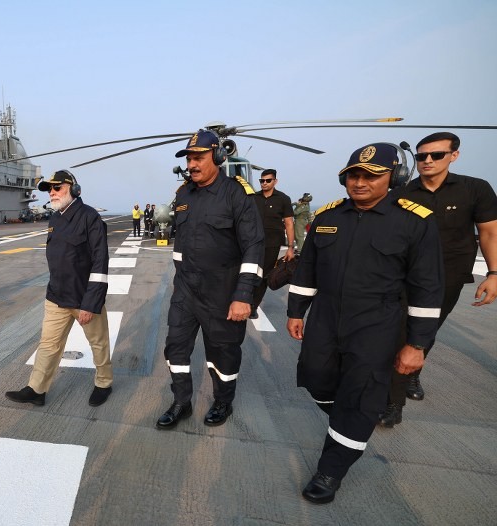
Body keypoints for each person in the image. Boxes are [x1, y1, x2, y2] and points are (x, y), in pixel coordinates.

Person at [286, 143, 444, 504]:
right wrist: (296, 310)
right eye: (353, 175)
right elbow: (307, 267)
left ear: (394, 177)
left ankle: (330, 471)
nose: (360, 183)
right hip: (325, 317)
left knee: (359, 397)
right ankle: (353, 415)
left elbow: (427, 287)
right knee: (315, 376)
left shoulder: (413, 220)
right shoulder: (328, 217)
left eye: (371, 176)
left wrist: (417, 344)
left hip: (376, 322)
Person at [379, 132, 497, 427]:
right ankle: (393, 402)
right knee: (401, 332)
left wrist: (494, 274)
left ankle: (412, 372)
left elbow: (489, 233)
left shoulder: (475, 189)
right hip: (407, 275)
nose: (427, 161)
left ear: (453, 155)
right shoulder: (403, 194)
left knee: (426, 330)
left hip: (450, 275)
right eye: (421, 156)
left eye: (436, 155)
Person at [154, 129, 264, 430]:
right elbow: (181, 244)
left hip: (223, 291)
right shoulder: (184, 194)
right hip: (186, 291)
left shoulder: (237, 194)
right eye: (189, 158)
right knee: (175, 348)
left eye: (198, 157)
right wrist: (180, 282)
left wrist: (243, 295)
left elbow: (254, 245)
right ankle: (181, 402)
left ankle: (223, 401)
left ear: (217, 156)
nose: (191, 164)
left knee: (223, 355)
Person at [6, 169, 113, 407]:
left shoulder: (89, 217)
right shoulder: (54, 219)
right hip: (56, 296)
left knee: (98, 343)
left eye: (58, 188)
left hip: (83, 296)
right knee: (48, 345)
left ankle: (104, 383)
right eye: (50, 189)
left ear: (74, 190)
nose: (52, 193)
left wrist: (90, 303)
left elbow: (100, 262)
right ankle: (37, 389)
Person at [250, 169, 295, 318]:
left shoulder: (283, 199)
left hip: (272, 244)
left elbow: (289, 223)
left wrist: (290, 247)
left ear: (275, 181)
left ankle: (253, 306)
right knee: (248, 273)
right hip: (252, 242)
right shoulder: (253, 198)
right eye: (261, 181)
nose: (264, 183)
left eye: (268, 180)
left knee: (264, 276)